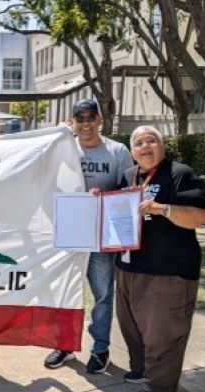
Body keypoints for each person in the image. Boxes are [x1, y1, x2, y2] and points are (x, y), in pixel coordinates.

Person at [116, 125, 205, 392]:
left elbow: (202, 216)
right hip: (129, 266)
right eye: (139, 143)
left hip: (169, 270)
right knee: (132, 327)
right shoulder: (127, 177)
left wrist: (163, 208)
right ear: (132, 152)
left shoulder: (179, 174)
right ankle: (143, 369)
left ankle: (161, 386)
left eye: (151, 140)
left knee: (163, 331)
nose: (145, 146)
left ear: (162, 145)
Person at [44, 99, 134, 374]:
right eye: (79, 118)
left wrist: (104, 197)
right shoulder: (62, 150)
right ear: (72, 122)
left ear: (100, 121)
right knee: (65, 292)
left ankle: (100, 349)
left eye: (90, 118)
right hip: (68, 232)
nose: (85, 124)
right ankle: (64, 345)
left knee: (103, 294)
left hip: (102, 235)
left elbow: (130, 190)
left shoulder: (117, 151)